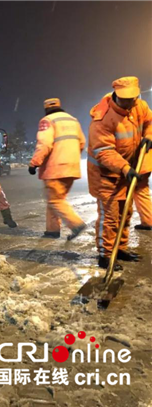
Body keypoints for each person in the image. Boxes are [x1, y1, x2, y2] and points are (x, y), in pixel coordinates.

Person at [88, 77, 152, 270]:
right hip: (105, 174)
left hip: (128, 171)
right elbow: (103, 152)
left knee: (126, 212)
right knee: (110, 216)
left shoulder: (139, 105)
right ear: (116, 96)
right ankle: (105, 255)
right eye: (126, 99)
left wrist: (149, 136)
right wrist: (125, 168)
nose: (130, 103)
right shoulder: (103, 118)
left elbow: (150, 121)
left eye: (133, 98)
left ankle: (120, 248)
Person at [28, 98, 87, 241]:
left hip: (55, 168)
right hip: (72, 167)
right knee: (55, 199)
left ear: (46, 108)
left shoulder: (47, 120)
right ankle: (52, 230)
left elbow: (44, 143)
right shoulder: (73, 120)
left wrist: (34, 163)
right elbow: (82, 143)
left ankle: (76, 224)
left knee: (55, 201)